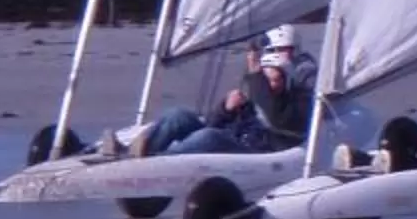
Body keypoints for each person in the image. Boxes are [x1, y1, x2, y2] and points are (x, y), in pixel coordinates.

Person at [125, 24, 318, 158]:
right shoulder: (255, 93)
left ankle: (158, 162)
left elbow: (276, 118)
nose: (271, 85)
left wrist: (257, 76)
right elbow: (212, 123)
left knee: (209, 137)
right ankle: (134, 152)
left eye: (275, 80)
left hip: (256, 152)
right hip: (233, 138)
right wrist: (226, 109)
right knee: (178, 116)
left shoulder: (298, 100)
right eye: (267, 80)